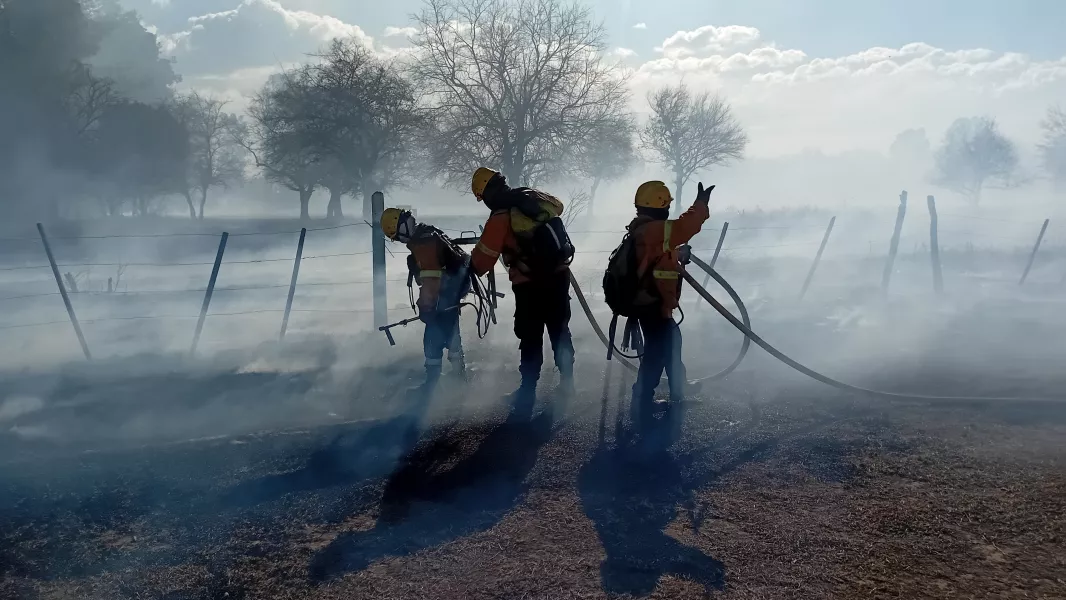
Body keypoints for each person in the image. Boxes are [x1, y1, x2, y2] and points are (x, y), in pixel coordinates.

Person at [468, 167, 576, 406]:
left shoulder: (500, 216)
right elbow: (558, 206)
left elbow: (482, 261)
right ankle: (568, 384)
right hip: (559, 277)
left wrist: (465, 268)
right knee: (559, 330)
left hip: (529, 285)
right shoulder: (533, 197)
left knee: (530, 336)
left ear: (486, 194)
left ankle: (527, 391)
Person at [626, 180, 714, 422]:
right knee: (658, 353)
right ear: (660, 205)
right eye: (666, 205)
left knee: (670, 345)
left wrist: (677, 255)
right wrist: (701, 204)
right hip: (653, 303)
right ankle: (642, 402)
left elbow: (658, 255)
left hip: (650, 302)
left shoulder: (643, 228)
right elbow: (686, 227)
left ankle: (678, 391)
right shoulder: (654, 229)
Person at [380, 207, 470, 397]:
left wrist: (426, 307)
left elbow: (431, 279)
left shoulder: (423, 244)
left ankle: (432, 385)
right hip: (452, 291)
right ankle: (460, 378)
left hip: (443, 295)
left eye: (396, 236)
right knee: (452, 332)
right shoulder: (427, 232)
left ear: (401, 227)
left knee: (432, 338)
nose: (398, 240)